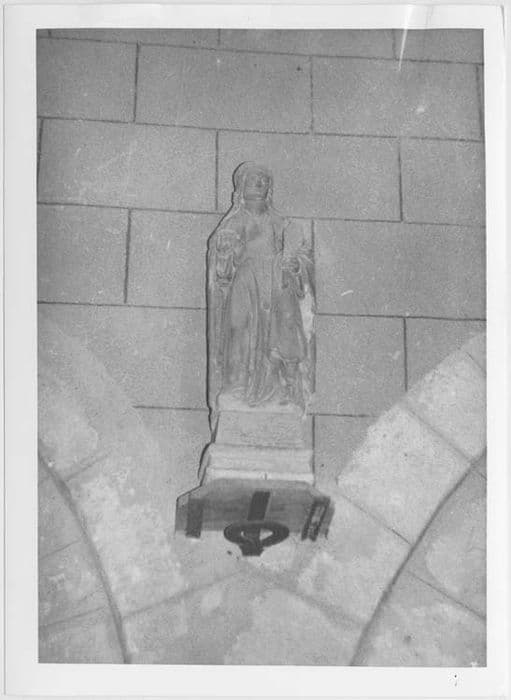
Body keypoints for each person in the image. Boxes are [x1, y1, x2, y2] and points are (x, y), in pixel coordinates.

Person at [207, 162, 315, 420]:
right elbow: (221, 270)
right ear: (241, 186)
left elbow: (302, 257)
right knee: (239, 329)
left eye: (264, 179)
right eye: (253, 178)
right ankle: (237, 386)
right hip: (245, 283)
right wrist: (224, 252)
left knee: (277, 333)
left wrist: (294, 265)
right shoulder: (233, 223)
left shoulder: (281, 223)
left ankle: (280, 388)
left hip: (277, 284)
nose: (259, 182)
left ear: (270, 188)